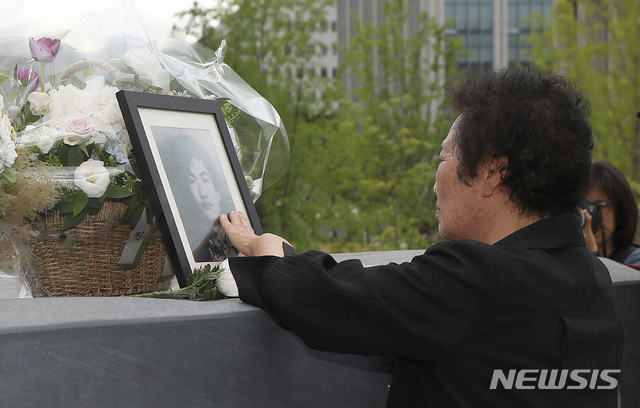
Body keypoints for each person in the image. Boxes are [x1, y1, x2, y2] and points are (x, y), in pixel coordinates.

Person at [219, 66, 623, 407]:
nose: (435, 180)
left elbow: (321, 298)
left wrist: (267, 252)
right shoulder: (593, 277)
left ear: (492, 173)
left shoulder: (477, 279)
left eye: (445, 156)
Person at [163, 133, 238, 262]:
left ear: (217, 190)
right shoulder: (189, 241)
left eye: (205, 180)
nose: (203, 193)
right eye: (192, 182)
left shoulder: (236, 226)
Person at [582, 160, 640, 267]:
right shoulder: (560, 261)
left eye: (601, 205)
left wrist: (592, 255)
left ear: (620, 211)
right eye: (584, 205)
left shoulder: (635, 260)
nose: (589, 215)